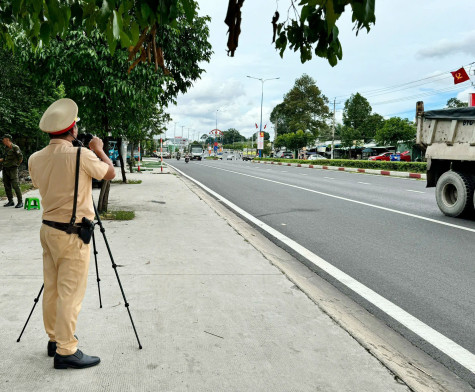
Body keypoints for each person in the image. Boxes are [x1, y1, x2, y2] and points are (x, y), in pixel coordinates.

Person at [28, 98, 115, 369]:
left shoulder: (35, 158)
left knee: (52, 288)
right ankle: (66, 350)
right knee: (70, 292)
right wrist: (99, 150)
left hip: (48, 230)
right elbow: (109, 173)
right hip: (73, 233)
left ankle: (54, 339)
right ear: (72, 129)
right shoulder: (83, 155)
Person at [0, 134, 23, 208]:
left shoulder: (15, 147)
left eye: (3, 140)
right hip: (5, 169)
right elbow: (5, 158)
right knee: (7, 186)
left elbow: (20, 157)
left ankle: (20, 202)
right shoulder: (6, 148)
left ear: (7, 139)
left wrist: (16, 165)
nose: (2, 141)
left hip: (13, 169)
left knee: (15, 185)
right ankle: (10, 201)